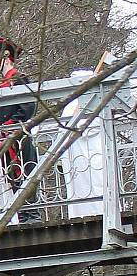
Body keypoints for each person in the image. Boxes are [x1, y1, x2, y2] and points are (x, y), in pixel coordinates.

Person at [0, 37, 41, 223]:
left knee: (25, 172)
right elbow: (4, 111)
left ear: (5, 58)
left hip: (19, 136)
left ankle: (31, 215)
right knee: (13, 175)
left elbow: (28, 107)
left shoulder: (18, 79)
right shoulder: (4, 84)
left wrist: (11, 126)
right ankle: (23, 215)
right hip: (9, 136)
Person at [60, 69, 104, 217]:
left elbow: (93, 126)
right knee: (79, 192)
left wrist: (78, 125)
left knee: (97, 187)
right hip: (75, 160)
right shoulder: (71, 105)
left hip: (91, 156)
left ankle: (100, 212)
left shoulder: (96, 100)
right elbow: (64, 129)